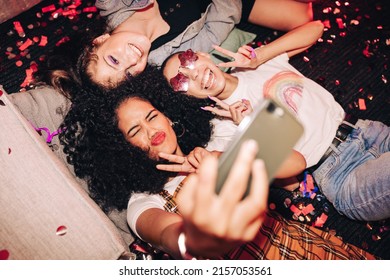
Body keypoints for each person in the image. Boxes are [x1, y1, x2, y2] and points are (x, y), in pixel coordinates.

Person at [59, 66, 375, 259]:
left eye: (152, 116)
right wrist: (203, 232)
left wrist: (219, 158)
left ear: (168, 117)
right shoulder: (142, 203)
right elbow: (176, 239)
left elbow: (295, 162)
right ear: (122, 148)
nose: (151, 129)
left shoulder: (215, 143)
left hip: (307, 250)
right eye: (134, 130)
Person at [161, 25, 390, 222]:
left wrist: (261, 56)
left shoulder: (254, 62)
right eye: (181, 82)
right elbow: (294, 167)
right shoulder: (224, 127)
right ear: (186, 97)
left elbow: (316, 28)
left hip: (368, 131)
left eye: (188, 63)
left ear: (202, 54)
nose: (195, 76)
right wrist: (252, 128)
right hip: (341, 175)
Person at [35, 0, 314, 98]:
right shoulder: (165, 59)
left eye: (113, 59)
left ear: (97, 41)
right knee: (304, 15)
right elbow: (221, 21)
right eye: (129, 74)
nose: (131, 60)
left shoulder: (113, 3)